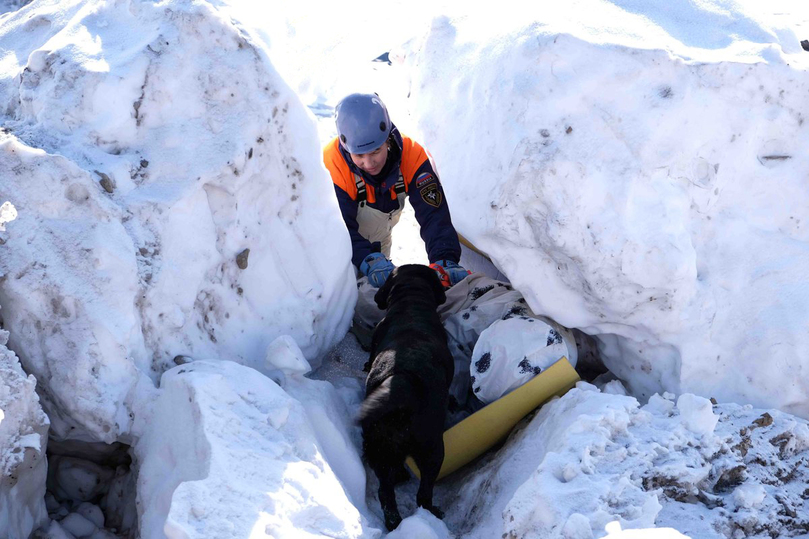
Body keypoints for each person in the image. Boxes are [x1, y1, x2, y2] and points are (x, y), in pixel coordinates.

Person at [323, 92, 470, 289]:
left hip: (381, 242)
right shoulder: (332, 166)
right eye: (359, 155)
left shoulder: (411, 155)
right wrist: (367, 259)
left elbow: (434, 215)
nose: (368, 163)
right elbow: (339, 230)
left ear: (388, 139)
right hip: (344, 247)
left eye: (376, 151)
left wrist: (445, 258)